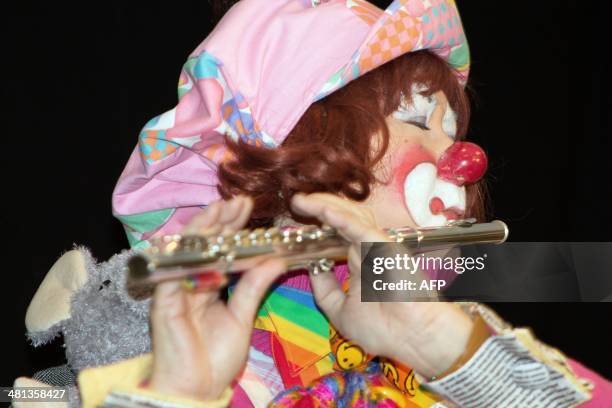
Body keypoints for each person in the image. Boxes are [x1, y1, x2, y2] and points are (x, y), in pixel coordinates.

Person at [72, 0, 611, 406]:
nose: (461, 156)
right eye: (419, 120)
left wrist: (440, 342)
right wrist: (181, 394)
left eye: (452, 128)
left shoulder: (451, 301)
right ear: (305, 146)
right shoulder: (246, 333)